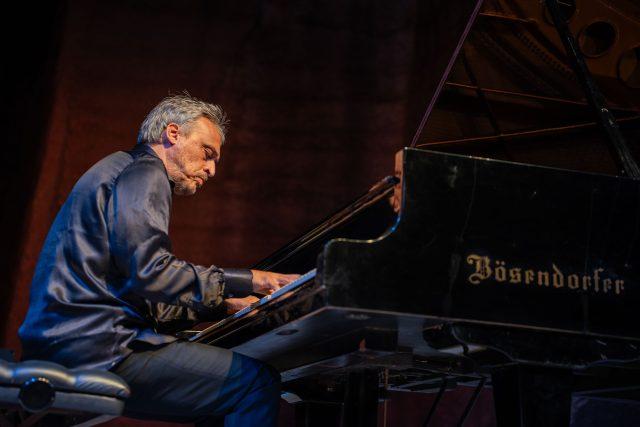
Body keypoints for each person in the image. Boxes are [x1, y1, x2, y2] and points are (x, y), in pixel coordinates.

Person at [18, 94, 299, 426]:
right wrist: (254, 279)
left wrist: (223, 306)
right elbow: (151, 272)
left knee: (218, 399)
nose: (211, 170)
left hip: (66, 343)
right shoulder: (146, 171)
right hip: (99, 348)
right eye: (207, 153)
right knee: (255, 383)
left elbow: (140, 293)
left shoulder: (121, 167)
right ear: (173, 133)